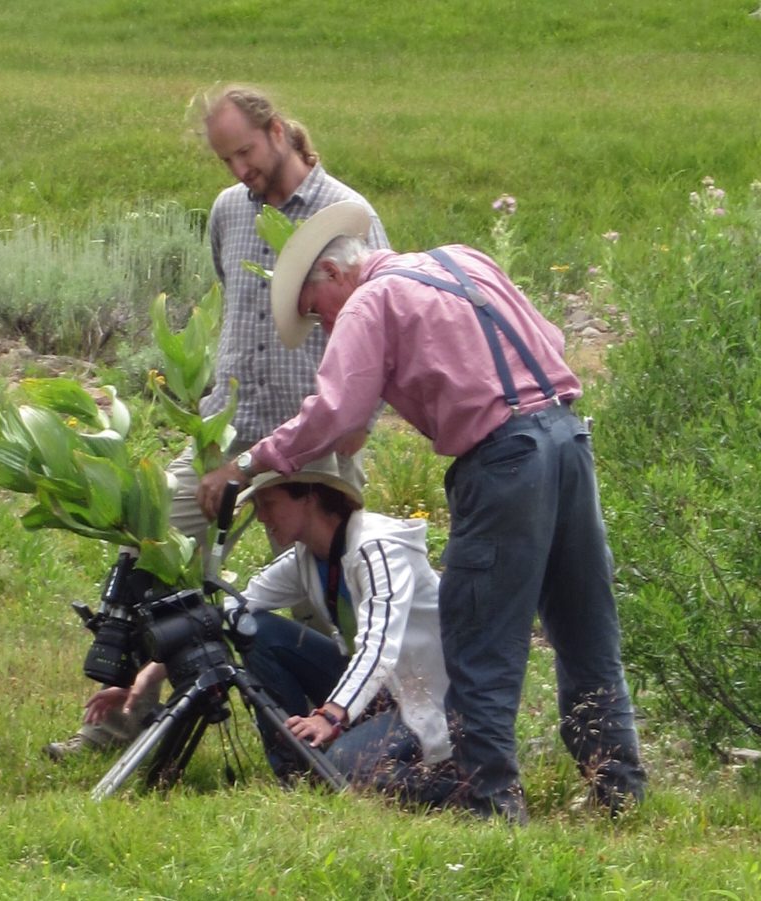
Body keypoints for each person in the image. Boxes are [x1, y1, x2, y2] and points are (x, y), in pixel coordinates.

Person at [198, 201, 647, 821]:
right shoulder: (465, 260)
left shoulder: (367, 301)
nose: (324, 326)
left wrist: (246, 465)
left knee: (477, 641)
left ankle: (490, 807)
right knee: (586, 634)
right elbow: (552, 340)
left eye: (314, 311)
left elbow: (336, 412)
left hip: (502, 461)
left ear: (331, 275)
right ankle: (621, 794)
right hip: (568, 440)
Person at [44, 83, 388, 759]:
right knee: (157, 548)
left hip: (313, 436)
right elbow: (234, 307)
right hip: (226, 432)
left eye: (247, 152)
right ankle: (124, 713)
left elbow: (378, 318)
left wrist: (358, 423)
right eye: (225, 158)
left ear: (280, 132)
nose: (239, 170)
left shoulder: (347, 212)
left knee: (330, 588)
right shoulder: (230, 211)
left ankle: (356, 729)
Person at [84, 454, 455, 803]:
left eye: (268, 503)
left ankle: (458, 779)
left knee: (345, 767)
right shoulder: (308, 556)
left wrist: (329, 715)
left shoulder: (379, 548)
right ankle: (296, 772)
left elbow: (379, 649)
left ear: (308, 496)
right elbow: (230, 611)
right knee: (254, 629)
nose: (261, 518)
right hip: (375, 694)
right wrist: (145, 678)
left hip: (424, 699)